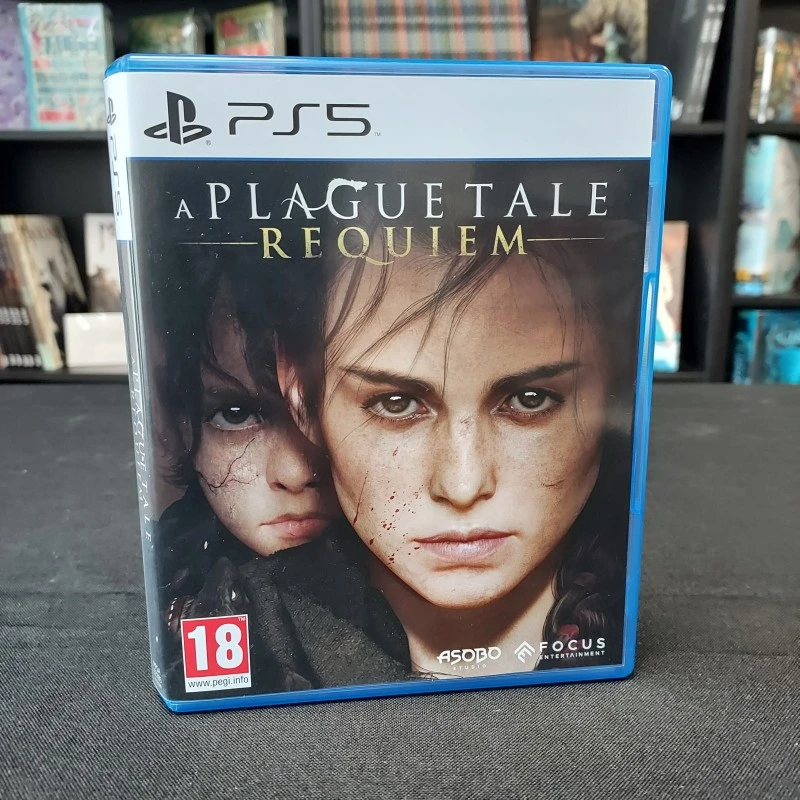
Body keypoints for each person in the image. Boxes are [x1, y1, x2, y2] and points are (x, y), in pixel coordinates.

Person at [236, 164, 646, 687]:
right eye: (396, 404)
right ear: (299, 392)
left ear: (615, 383)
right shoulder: (236, 634)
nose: (463, 485)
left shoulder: (622, 618)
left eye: (530, 399)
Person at [149, 255, 339, 692]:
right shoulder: (171, 573)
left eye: (322, 410)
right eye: (235, 414)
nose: (295, 472)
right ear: (180, 426)